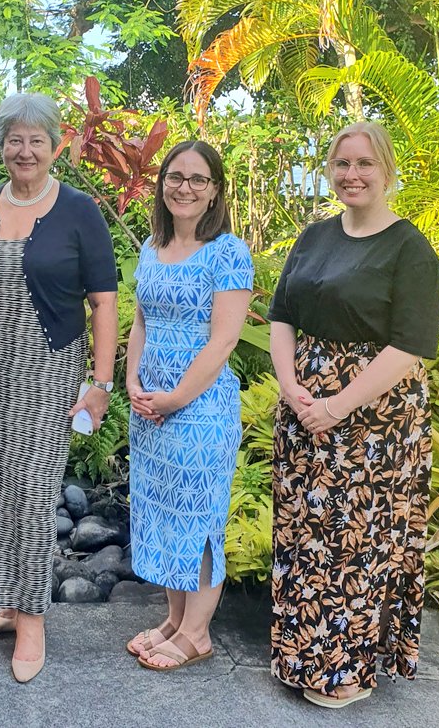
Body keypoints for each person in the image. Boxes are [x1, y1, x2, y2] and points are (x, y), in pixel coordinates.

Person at [0, 92, 118, 683]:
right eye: (15, 139)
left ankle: (34, 618)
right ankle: (7, 603)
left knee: (36, 493)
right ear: (2, 145)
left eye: (36, 140)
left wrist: (100, 382)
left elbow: (103, 302)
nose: (24, 150)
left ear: (54, 145)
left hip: (48, 370)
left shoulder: (79, 210)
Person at [268, 121, 439, 709]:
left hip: (376, 418)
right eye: (343, 164)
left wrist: (339, 405)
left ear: (386, 169)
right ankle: (299, 655)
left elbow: (410, 346)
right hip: (304, 407)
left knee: (356, 542)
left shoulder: (409, 249)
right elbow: (282, 315)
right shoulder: (314, 236)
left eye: (365, 164)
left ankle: (345, 669)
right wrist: (292, 387)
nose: (353, 175)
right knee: (304, 533)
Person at [124, 139, 254, 672]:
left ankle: (197, 633)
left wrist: (175, 397)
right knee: (163, 513)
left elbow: (223, 340)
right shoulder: (151, 248)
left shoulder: (228, 252)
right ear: (162, 184)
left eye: (198, 179)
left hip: (198, 409)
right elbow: (140, 322)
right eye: (175, 176)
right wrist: (131, 380)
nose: (185, 187)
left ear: (214, 191)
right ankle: (175, 621)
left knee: (197, 517)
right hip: (149, 405)